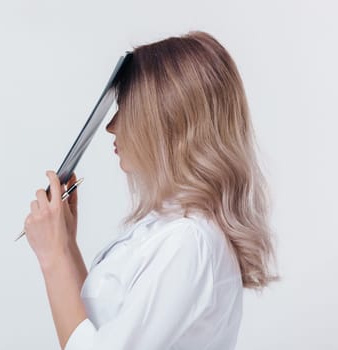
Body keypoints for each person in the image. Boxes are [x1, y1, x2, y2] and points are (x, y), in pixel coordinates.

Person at [22, 30, 280, 350]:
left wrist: (53, 257)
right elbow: (96, 332)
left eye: (126, 108)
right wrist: (65, 245)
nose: (111, 126)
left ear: (167, 122)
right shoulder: (168, 227)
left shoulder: (189, 241)